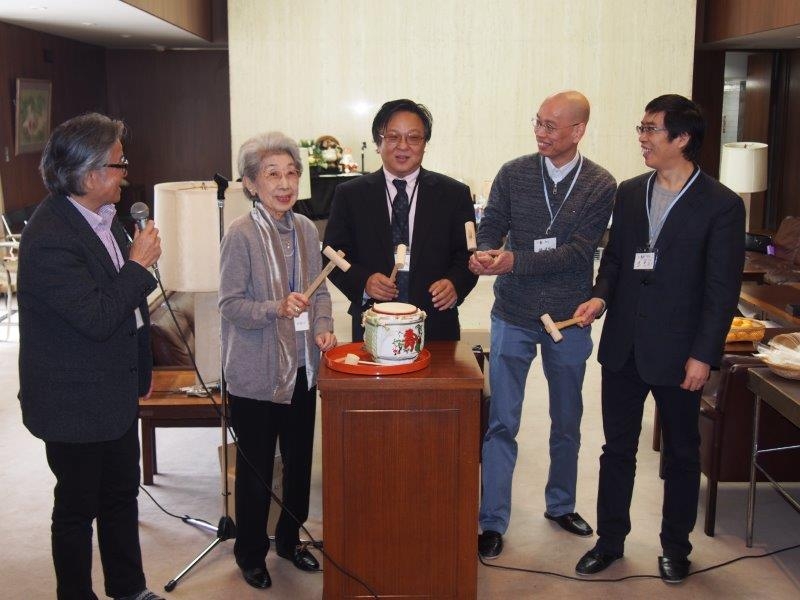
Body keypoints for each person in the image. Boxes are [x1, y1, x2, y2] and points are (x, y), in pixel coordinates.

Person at [572, 95, 744, 583]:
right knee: (616, 450)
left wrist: (703, 356)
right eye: (641, 128)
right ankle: (610, 542)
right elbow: (615, 261)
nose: (642, 137)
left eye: (651, 129)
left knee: (682, 455)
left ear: (682, 138)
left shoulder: (721, 205)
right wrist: (599, 297)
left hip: (681, 353)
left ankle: (675, 547)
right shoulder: (629, 192)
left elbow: (721, 291)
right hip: (624, 346)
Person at [17, 113, 163, 600]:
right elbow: (98, 316)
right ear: (89, 172)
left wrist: (142, 366)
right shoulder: (50, 237)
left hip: (114, 389)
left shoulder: (105, 218)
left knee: (121, 496)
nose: (126, 172)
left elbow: (130, 310)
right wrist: (139, 264)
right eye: (119, 163)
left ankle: (129, 589)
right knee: (77, 511)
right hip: (72, 402)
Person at [470, 91, 616, 559]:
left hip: (569, 318)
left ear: (578, 130)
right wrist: (486, 251)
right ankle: (492, 520)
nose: (540, 133)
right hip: (512, 313)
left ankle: (561, 504)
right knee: (501, 421)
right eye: (537, 122)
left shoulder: (600, 184)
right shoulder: (514, 172)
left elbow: (578, 251)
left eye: (551, 126)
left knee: (567, 419)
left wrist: (515, 260)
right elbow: (493, 222)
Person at [219, 132, 337, 590]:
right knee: (256, 473)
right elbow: (230, 305)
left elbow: (320, 291)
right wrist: (275, 308)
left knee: (299, 463)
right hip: (256, 375)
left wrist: (322, 326)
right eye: (272, 174)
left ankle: (289, 540)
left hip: (303, 368)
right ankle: (250, 553)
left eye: (291, 173)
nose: (285, 184)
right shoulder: (240, 234)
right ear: (251, 183)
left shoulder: (306, 228)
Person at [323, 98, 478, 342]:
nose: (403, 146)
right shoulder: (350, 195)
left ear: (425, 143)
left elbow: (468, 256)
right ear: (378, 142)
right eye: (393, 137)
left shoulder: (454, 194)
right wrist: (364, 282)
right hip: (373, 322)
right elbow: (332, 254)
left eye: (413, 137)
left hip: (436, 323)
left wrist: (455, 284)